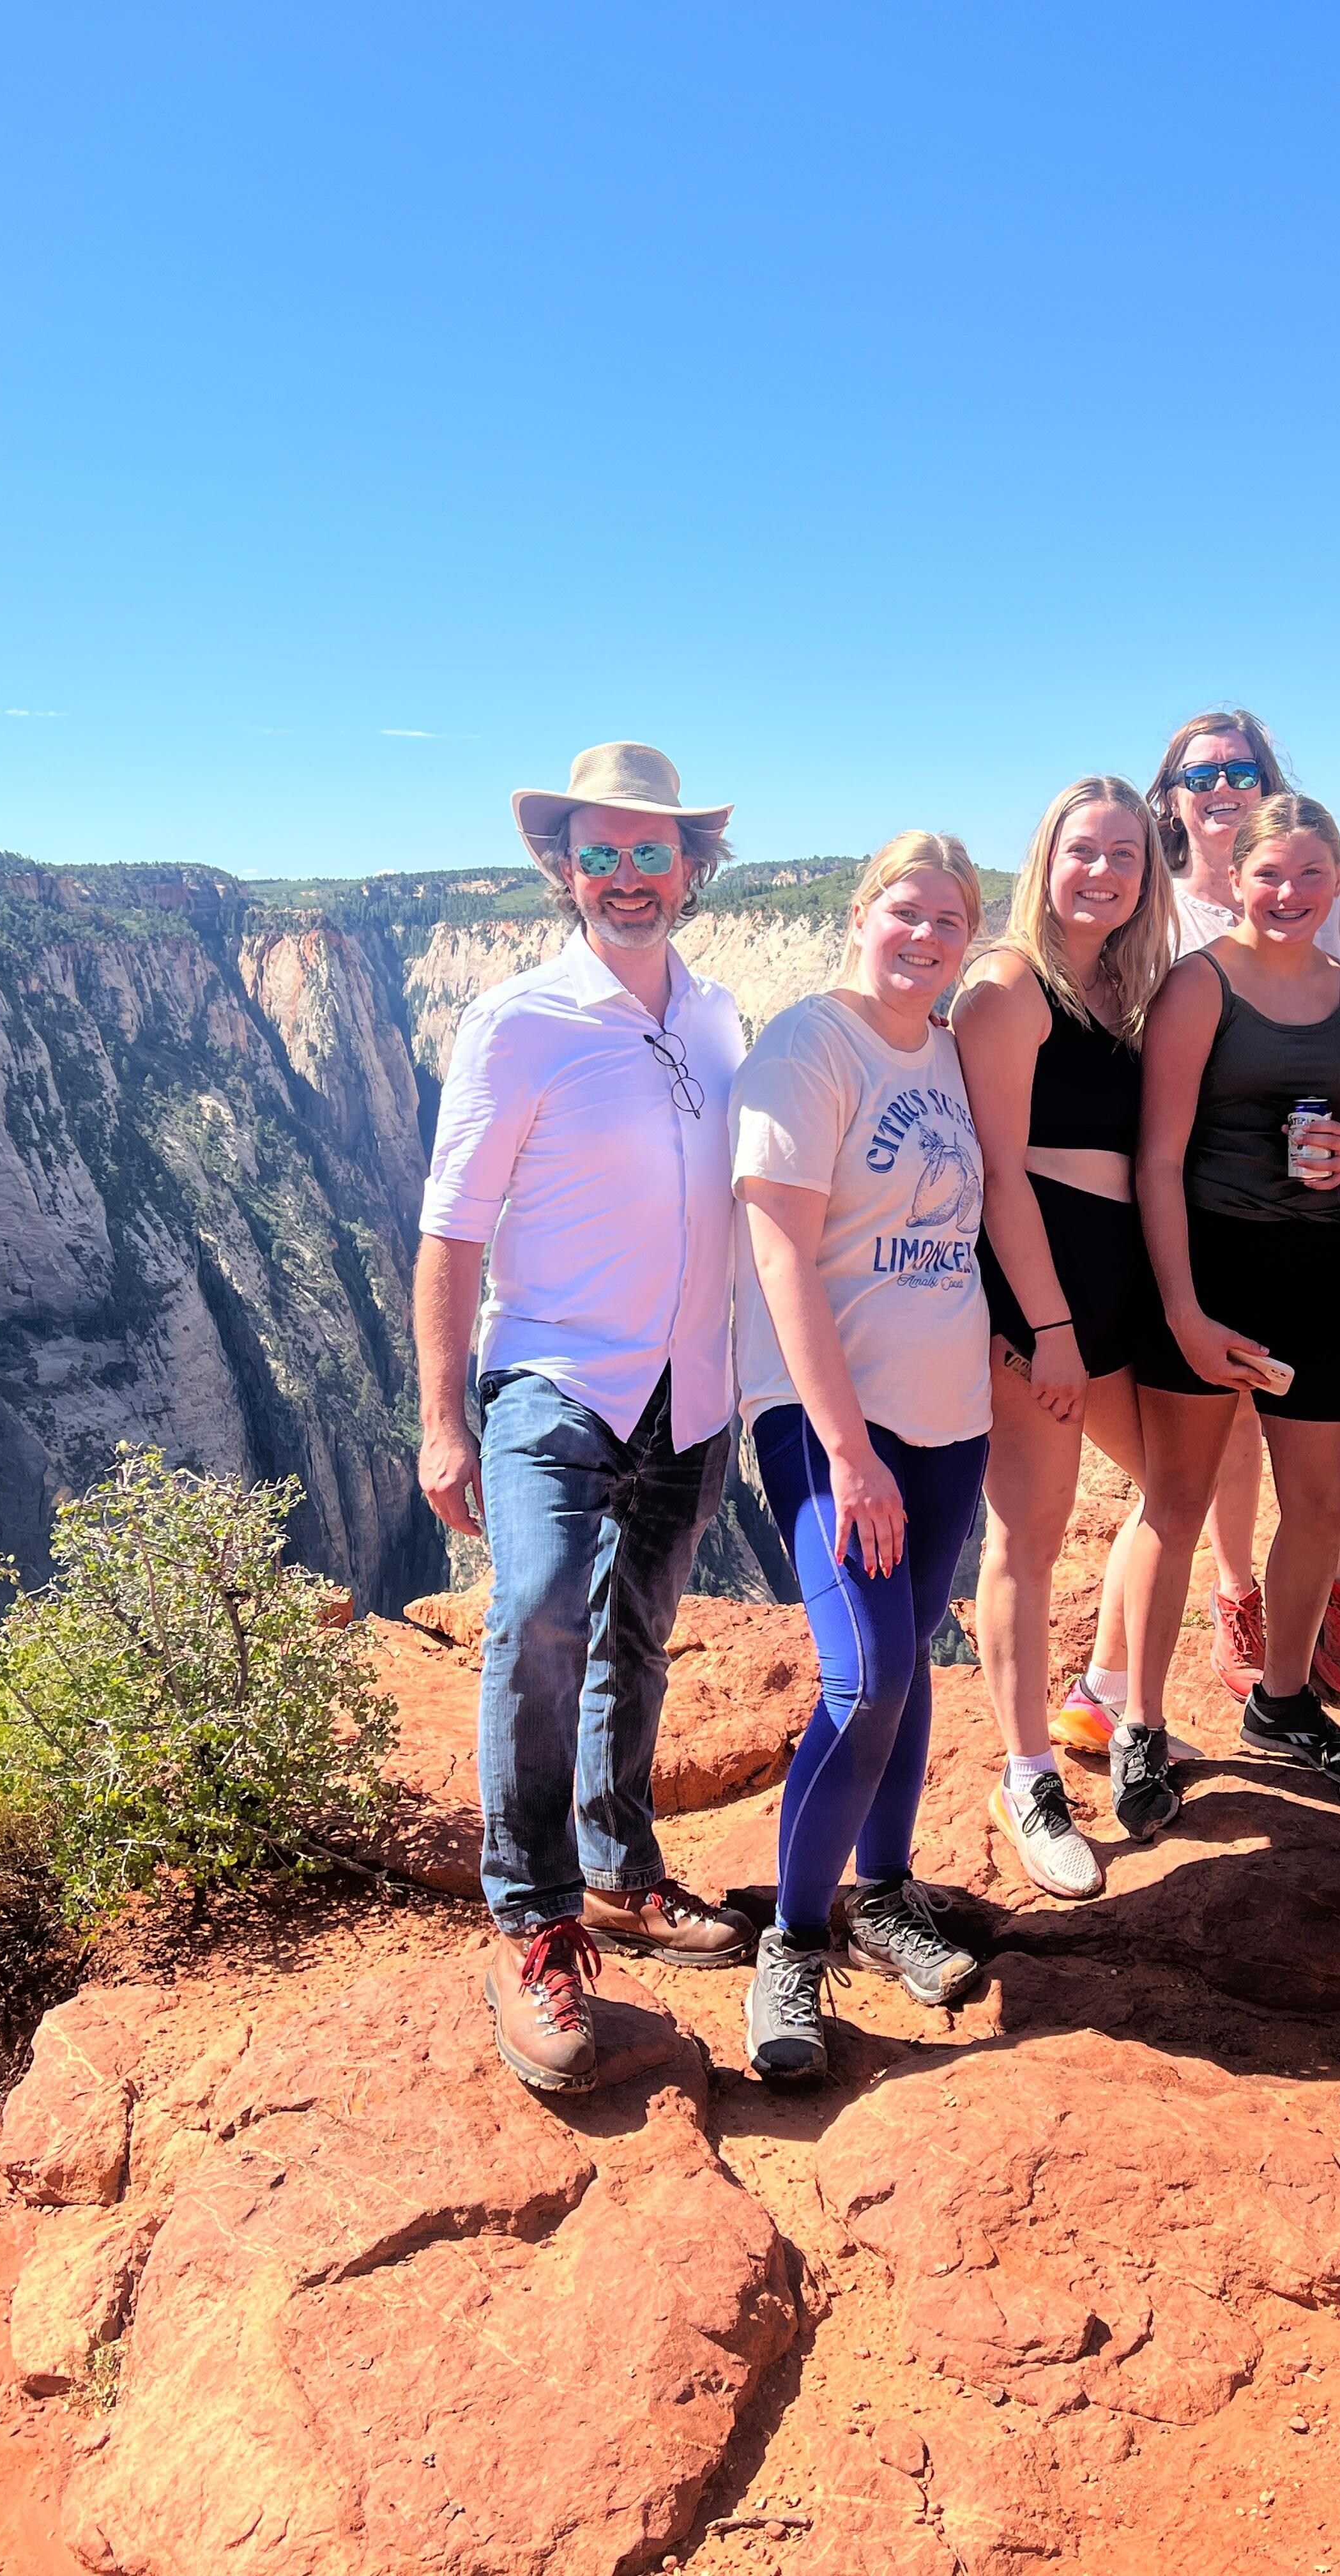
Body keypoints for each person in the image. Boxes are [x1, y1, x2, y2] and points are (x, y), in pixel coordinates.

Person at [416, 739, 754, 2098]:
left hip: (693, 1386)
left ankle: (620, 1874)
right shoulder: (518, 1021)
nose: (625, 876)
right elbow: (450, 1231)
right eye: (598, 853)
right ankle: (530, 1919)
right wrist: (444, 1419)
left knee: (641, 1638)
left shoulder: (725, 1017)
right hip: (554, 1379)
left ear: (691, 866)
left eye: (649, 851)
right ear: (565, 870)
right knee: (541, 1612)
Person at [733, 834, 993, 2083]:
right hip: (836, 1423)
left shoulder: (943, 1050)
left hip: (954, 1420)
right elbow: (777, 1248)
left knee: (918, 1652)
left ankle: (885, 1898)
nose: (927, 937)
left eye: (952, 921)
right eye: (908, 911)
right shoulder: (808, 1045)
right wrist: (847, 1451)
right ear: (859, 913)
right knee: (869, 1672)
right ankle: (794, 1943)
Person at [1064, 710, 1340, 1719]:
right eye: (1200, 773)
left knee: (1320, 1447)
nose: (1222, 785)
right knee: (1197, 1457)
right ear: (1173, 793)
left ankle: (1332, 1592)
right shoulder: (1151, 921)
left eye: (1242, 769)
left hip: (1308, 1240)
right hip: (1179, 1219)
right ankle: (1205, 1621)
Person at [1122, 795, 1340, 1832]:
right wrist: (1181, 1308)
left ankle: (1282, 1701)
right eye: (1271, 875)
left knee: (1321, 1504)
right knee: (1175, 1507)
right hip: (1211, 1262)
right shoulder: (1198, 984)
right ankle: (1140, 1723)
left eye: (1312, 875)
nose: (1289, 895)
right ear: (1235, 877)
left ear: (1337, 881)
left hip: (1312, 1269)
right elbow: (1158, 1158)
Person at [954, 777, 1178, 1896]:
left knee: (1175, 1487)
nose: (1104, 871)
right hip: (1037, 1302)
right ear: (1046, 857)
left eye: (1126, 855)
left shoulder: (1116, 987)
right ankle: (1028, 1771)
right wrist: (1048, 1327)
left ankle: (1111, 1692)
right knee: (1027, 1541)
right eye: (1084, 850)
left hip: (1121, 1289)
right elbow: (999, 1176)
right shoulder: (1006, 989)